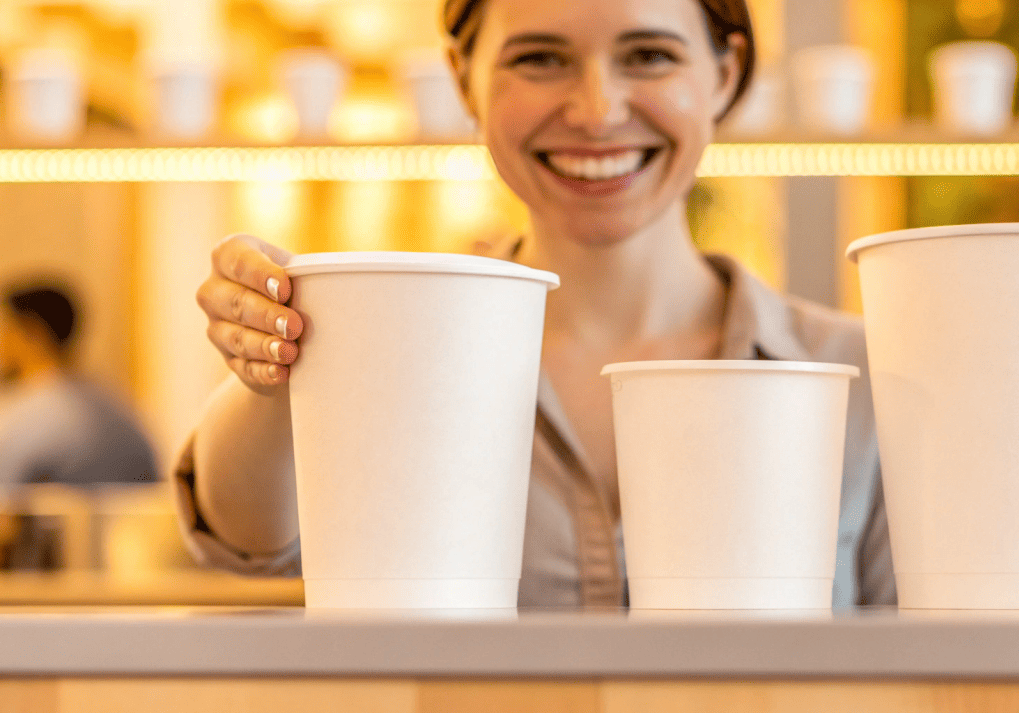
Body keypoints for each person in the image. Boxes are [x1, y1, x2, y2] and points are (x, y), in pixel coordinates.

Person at [178, 0, 896, 608]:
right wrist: (268, 372)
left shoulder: (870, 373)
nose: (596, 110)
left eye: (648, 55)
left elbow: (929, 671)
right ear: (464, 80)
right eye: (539, 59)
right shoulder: (395, 358)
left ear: (726, 73)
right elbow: (245, 540)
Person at [0, 283, 159, 568]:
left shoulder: (21, 420)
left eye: (1, 331)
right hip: (128, 582)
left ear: (30, 334)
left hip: (47, 593)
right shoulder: (124, 415)